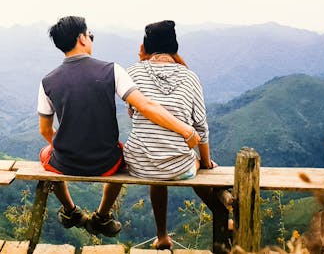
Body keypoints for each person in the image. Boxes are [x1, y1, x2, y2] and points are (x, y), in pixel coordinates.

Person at [38, 15, 202, 237]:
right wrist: (185, 130)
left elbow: (45, 131)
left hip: (65, 163)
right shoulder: (111, 70)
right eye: (90, 35)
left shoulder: (47, 81)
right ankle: (102, 216)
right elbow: (145, 106)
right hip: (107, 162)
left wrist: (65, 146)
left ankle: (70, 210)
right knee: (122, 152)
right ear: (82, 39)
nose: (91, 39)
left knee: (45, 154)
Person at [124, 20, 216, 249]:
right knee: (192, 163)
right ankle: (224, 212)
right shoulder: (190, 77)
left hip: (138, 164)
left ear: (146, 46)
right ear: (174, 47)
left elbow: (132, 112)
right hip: (178, 167)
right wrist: (205, 162)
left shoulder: (133, 72)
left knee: (156, 163)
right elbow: (201, 128)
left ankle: (162, 235)